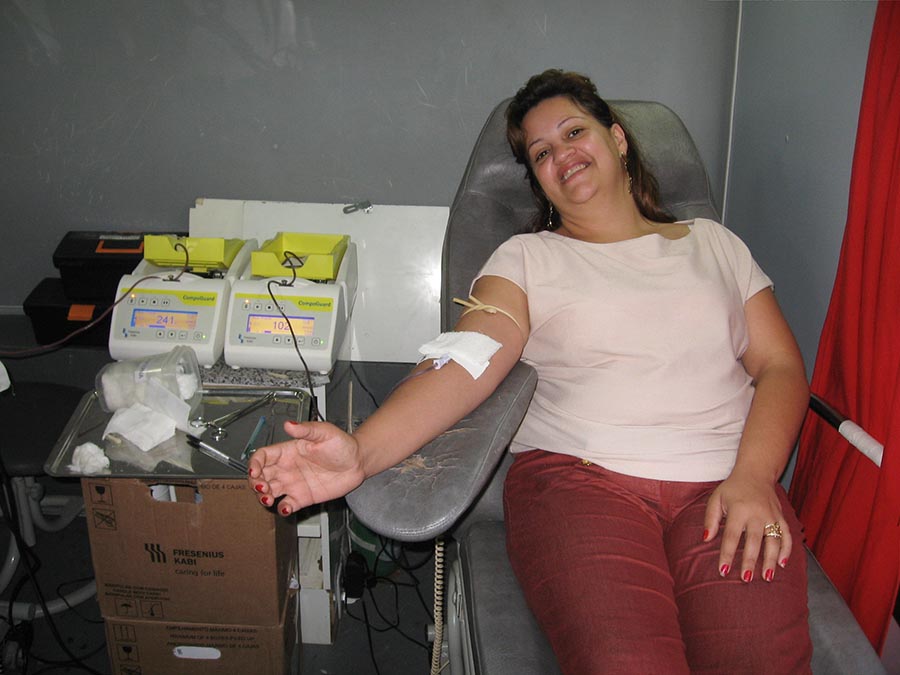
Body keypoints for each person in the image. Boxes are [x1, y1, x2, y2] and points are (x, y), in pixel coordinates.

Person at [249, 69, 812, 674]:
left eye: (574, 132)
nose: (561, 155)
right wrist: (362, 452)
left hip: (727, 482)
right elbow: (470, 357)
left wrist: (755, 478)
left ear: (617, 138)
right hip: (582, 485)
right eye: (541, 153)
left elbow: (780, 366)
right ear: (538, 179)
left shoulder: (715, 244)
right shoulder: (527, 257)